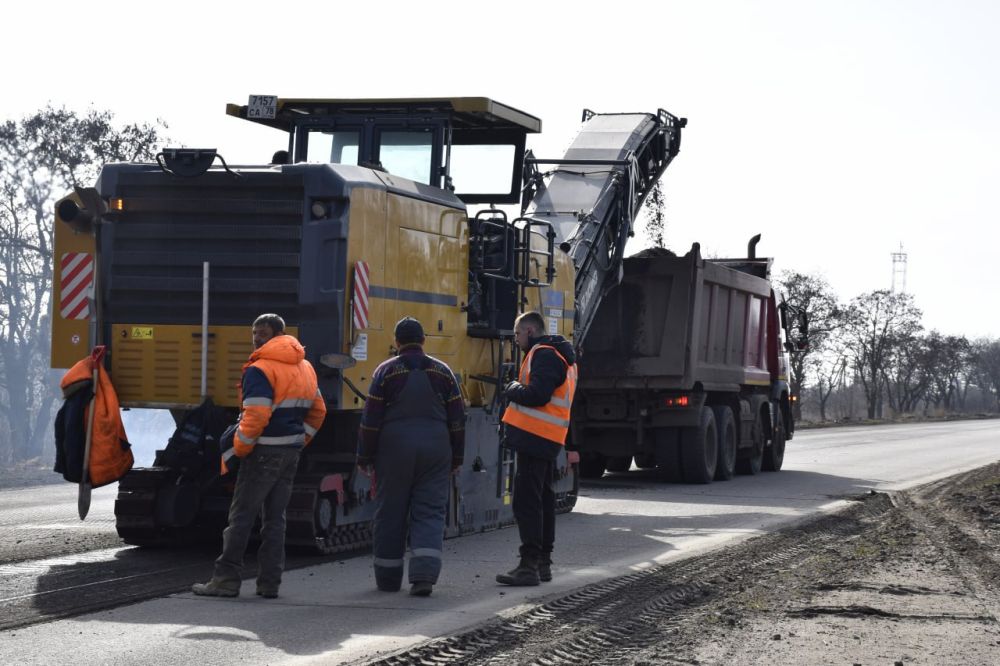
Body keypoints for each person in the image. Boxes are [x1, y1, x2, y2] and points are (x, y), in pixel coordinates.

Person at [193, 313, 326, 599]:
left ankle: (226, 580)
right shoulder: (305, 367)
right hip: (290, 452)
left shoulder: (260, 370)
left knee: (241, 516)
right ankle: (269, 583)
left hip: (263, 452)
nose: (256, 338)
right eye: (254, 333)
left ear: (277, 334)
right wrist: (300, 439)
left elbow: (256, 415)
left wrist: (240, 448)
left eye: (261, 333)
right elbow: (318, 411)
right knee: (275, 519)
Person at [358, 316, 466, 597]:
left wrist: (365, 456)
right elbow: (457, 420)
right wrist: (456, 459)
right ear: (423, 341)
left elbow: (370, 420)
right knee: (429, 511)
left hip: (393, 451)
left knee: (390, 512)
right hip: (436, 450)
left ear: (396, 342)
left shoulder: (386, 372)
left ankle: (388, 579)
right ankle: (423, 577)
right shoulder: (444, 373)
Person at [497, 311, 577, 586]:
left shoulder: (544, 354)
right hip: (548, 437)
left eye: (518, 333)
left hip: (535, 437)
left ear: (530, 331)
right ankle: (542, 564)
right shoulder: (559, 355)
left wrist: (512, 388)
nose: (516, 339)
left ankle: (528, 566)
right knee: (542, 498)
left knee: (527, 501)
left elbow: (538, 394)